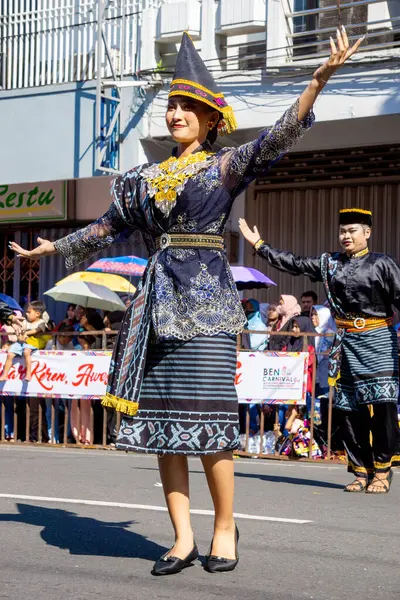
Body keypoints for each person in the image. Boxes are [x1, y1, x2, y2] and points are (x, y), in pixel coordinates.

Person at [10, 28, 364, 573]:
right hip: (155, 310)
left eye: (186, 106)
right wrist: (56, 245)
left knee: (209, 424)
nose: (175, 113)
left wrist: (316, 82)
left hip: (206, 309)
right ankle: (181, 537)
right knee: (163, 427)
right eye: (171, 105)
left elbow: (276, 138)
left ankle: (225, 527)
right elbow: (108, 227)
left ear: (210, 119)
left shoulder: (223, 168)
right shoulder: (141, 180)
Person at [239, 207, 400, 494]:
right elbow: (295, 263)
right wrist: (260, 247)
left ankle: (383, 471)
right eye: (343, 231)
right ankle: (361, 470)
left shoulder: (382, 264)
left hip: (378, 339)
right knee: (347, 410)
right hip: (345, 342)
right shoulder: (330, 263)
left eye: (352, 231)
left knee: (383, 407)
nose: (346, 236)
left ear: (368, 233)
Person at [0, 300, 47, 382]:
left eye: (29, 312)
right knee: (10, 353)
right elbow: (21, 329)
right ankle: (5, 374)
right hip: (22, 342)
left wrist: (26, 333)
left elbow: (36, 330)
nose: (27, 314)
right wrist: (19, 331)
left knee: (26, 352)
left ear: (37, 314)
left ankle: (28, 373)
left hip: (33, 343)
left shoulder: (41, 322)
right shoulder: (25, 321)